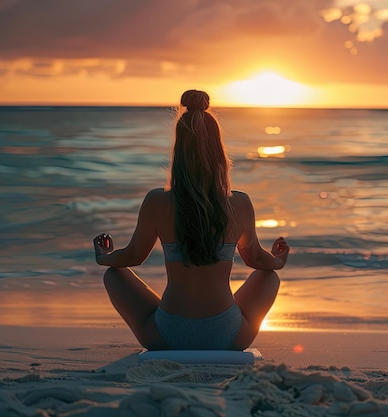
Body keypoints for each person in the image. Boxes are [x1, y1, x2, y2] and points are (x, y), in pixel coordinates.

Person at [93, 89, 289, 351]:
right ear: (219, 151)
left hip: (168, 335)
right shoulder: (239, 203)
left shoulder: (158, 201)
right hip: (228, 336)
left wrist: (104, 256)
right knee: (270, 277)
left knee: (113, 276)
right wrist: (278, 260)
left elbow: (133, 256)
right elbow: (256, 260)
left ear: (179, 151)